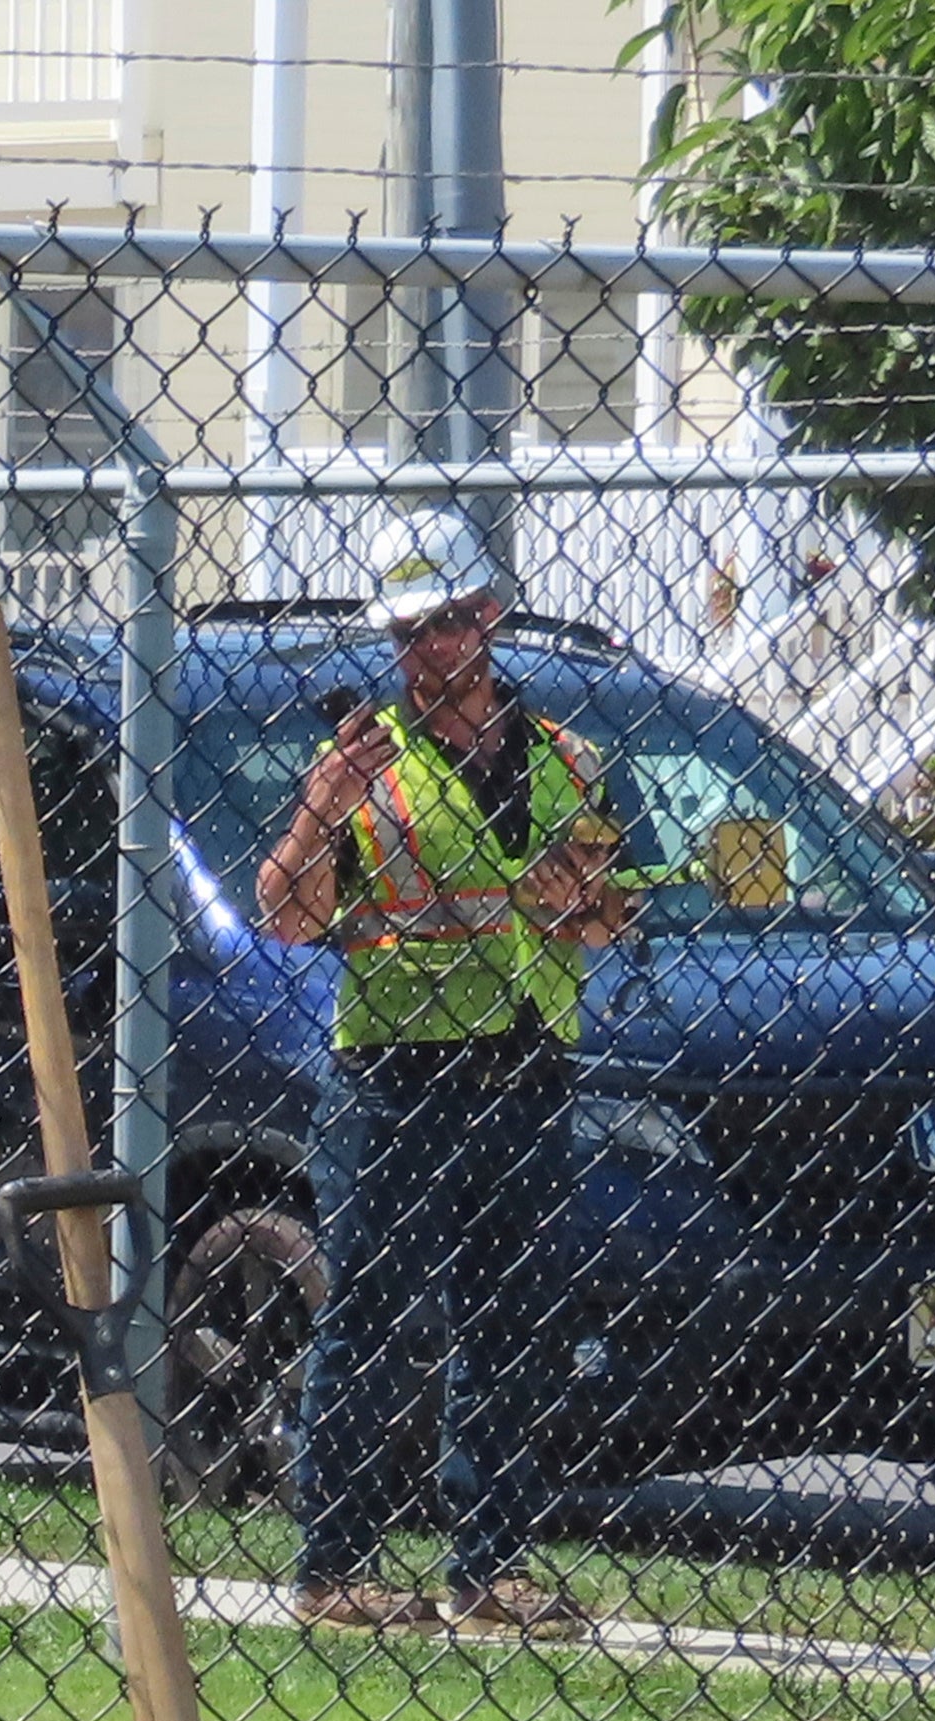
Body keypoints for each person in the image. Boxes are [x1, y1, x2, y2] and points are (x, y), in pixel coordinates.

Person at [248, 505, 640, 1640]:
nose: (428, 648)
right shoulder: (364, 763)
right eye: (410, 628)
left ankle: (491, 1566)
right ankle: (337, 1565)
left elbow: (609, 915)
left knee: (514, 1319)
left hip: (525, 1063)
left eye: (449, 622)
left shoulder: (568, 758)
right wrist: (324, 806)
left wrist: (588, 905)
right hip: (394, 1075)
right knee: (369, 1316)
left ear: (492, 617)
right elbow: (287, 913)